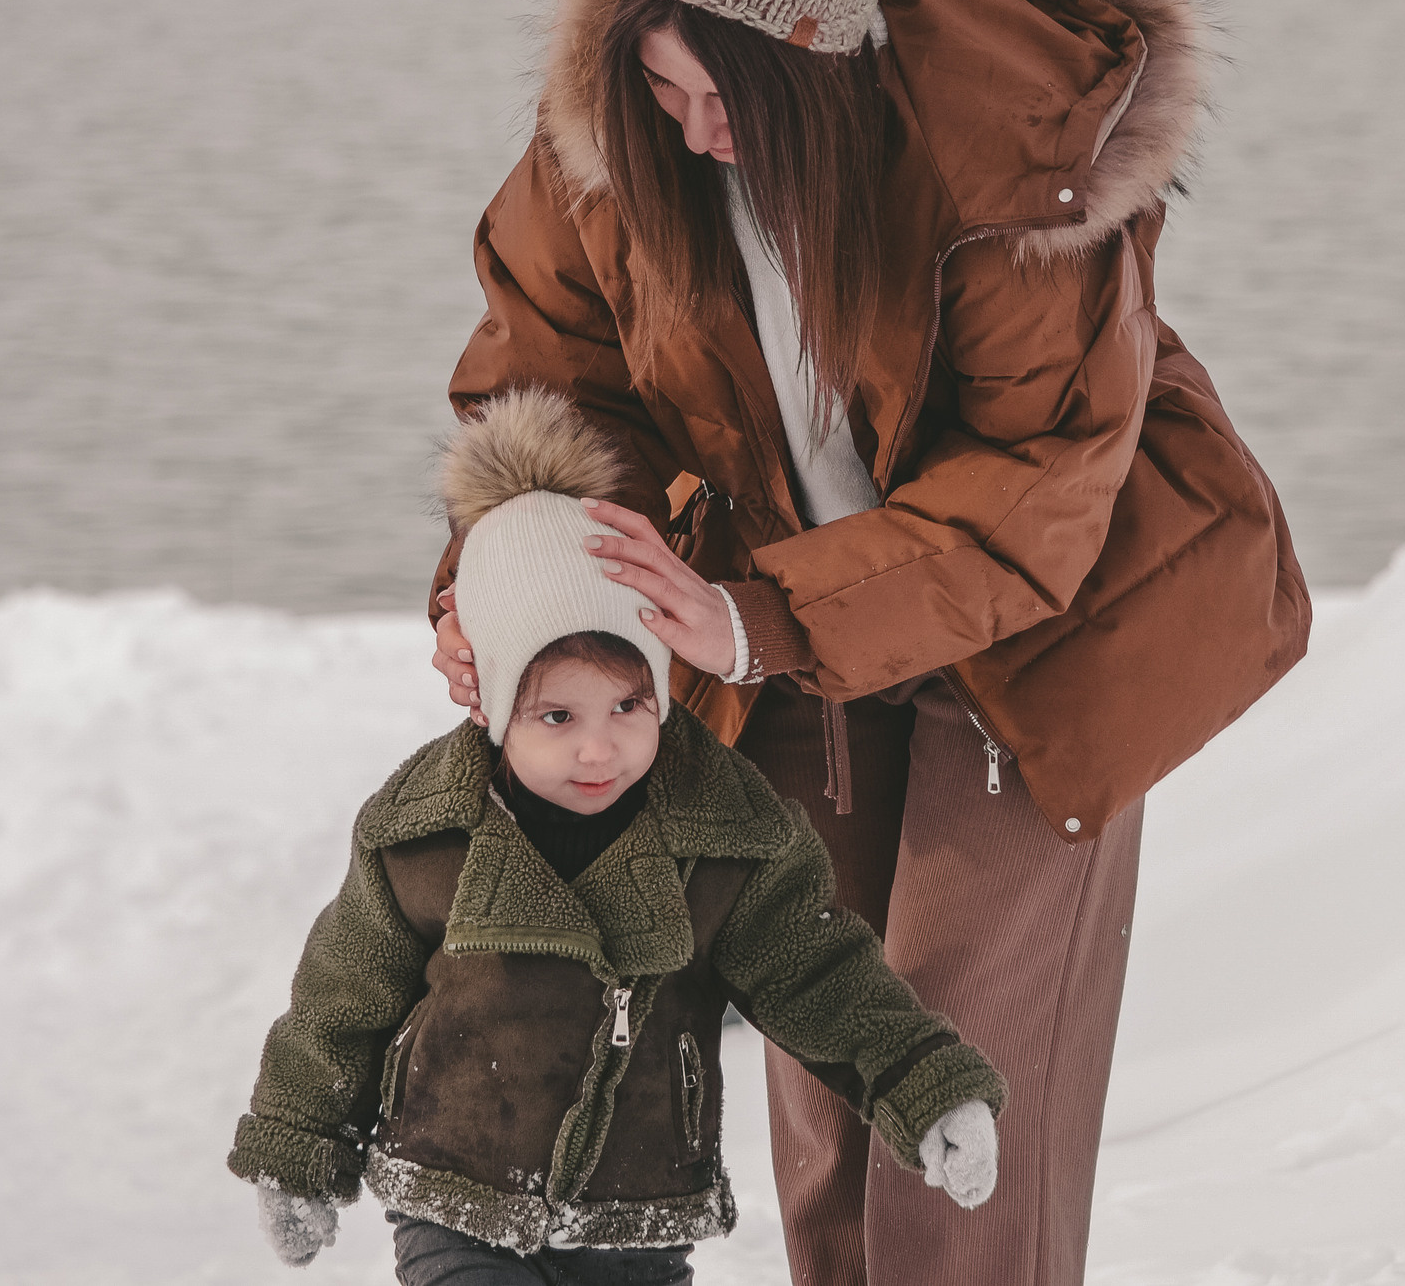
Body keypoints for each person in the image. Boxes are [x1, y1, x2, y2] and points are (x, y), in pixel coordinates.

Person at [428, 0, 1311, 1286]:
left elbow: (1038, 496)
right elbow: (542, 380)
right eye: (658, 86)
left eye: (717, 98)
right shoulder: (617, 146)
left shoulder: (1018, 171)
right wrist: (527, 588)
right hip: (784, 626)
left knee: (956, 1085)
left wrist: (754, 622)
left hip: (1041, 648)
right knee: (831, 1070)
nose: (686, 129)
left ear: (819, 58)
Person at [232, 388, 1006, 1282]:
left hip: (637, 1208)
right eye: (556, 713)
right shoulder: (425, 830)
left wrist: (924, 1083)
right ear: (492, 704)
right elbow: (343, 993)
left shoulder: (723, 829)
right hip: (458, 1193)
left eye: (629, 705)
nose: (599, 745)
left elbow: (818, 972)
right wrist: (297, 1144)